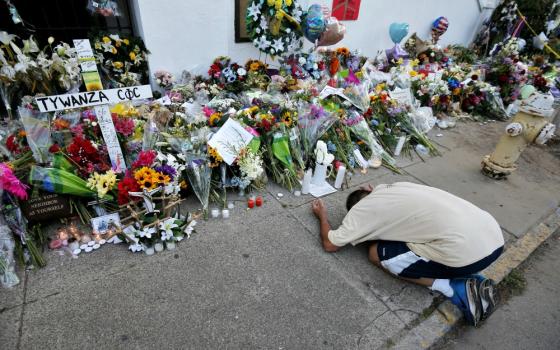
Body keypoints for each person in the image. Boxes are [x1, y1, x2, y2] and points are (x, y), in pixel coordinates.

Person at [311, 182, 504, 326]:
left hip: (465, 254)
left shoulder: (360, 211)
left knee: (375, 254)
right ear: (369, 190)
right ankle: (465, 274)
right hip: (493, 237)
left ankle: (453, 287)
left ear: (355, 208)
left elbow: (330, 244)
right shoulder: (394, 187)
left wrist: (323, 216)